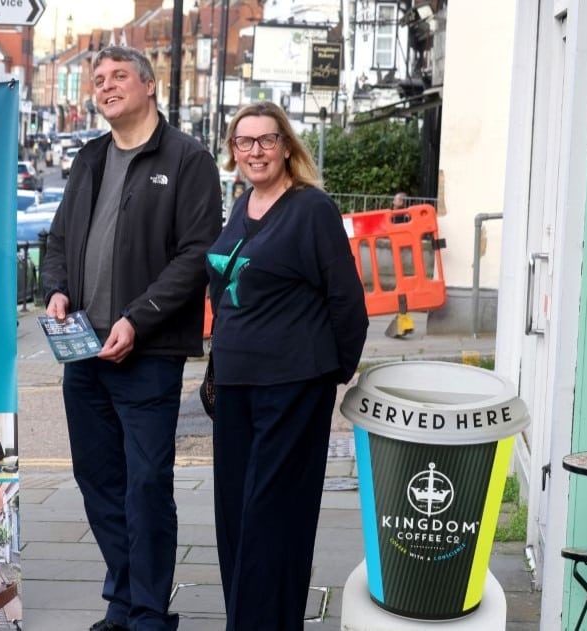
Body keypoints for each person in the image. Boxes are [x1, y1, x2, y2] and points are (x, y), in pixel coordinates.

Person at [38, 45, 222, 631]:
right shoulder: (89, 158)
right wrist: (58, 289)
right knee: (98, 481)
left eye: (119, 77)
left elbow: (197, 254)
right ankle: (122, 599)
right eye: (99, 80)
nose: (107, 86)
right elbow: (61, 239)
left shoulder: (188, 159)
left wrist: (138, 318)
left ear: (148, 86)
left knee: (144, 485)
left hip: (148, 355)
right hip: (82, 351)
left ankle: (148, 611)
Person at [205, 101, 368, 630]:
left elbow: (346, 299)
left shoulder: (310, 208)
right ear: (233, 151)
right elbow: (226, 290)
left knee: (273, 514)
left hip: (292, 384)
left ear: (287, 147)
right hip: (235, 385)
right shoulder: (241, 205)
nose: (255, 151)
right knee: (234, 513)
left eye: (266, 140)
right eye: (244, 142)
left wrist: (330, 372)